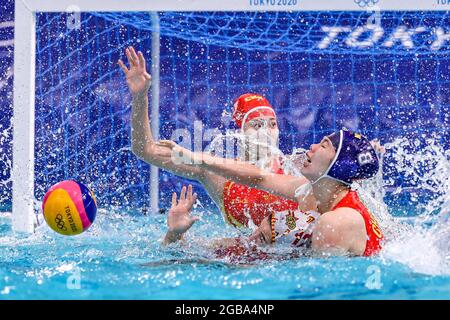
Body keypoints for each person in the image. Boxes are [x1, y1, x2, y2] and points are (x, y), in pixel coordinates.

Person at [118, 46, 308, 228]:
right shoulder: (215, 173)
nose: (267, 131)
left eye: (272, 124)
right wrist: (140, 96)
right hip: (238, 257)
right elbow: (145, 150)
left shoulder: (299, 167)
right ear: (238, 133)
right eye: (256, 125)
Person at [158, 129, 384, 257]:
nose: (312, 147)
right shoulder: (311, 193)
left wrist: (280, 231)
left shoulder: (337, 222)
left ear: (338, 166)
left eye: (324, 146)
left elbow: (322, 284)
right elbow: (259, 178)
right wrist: (194, 158)